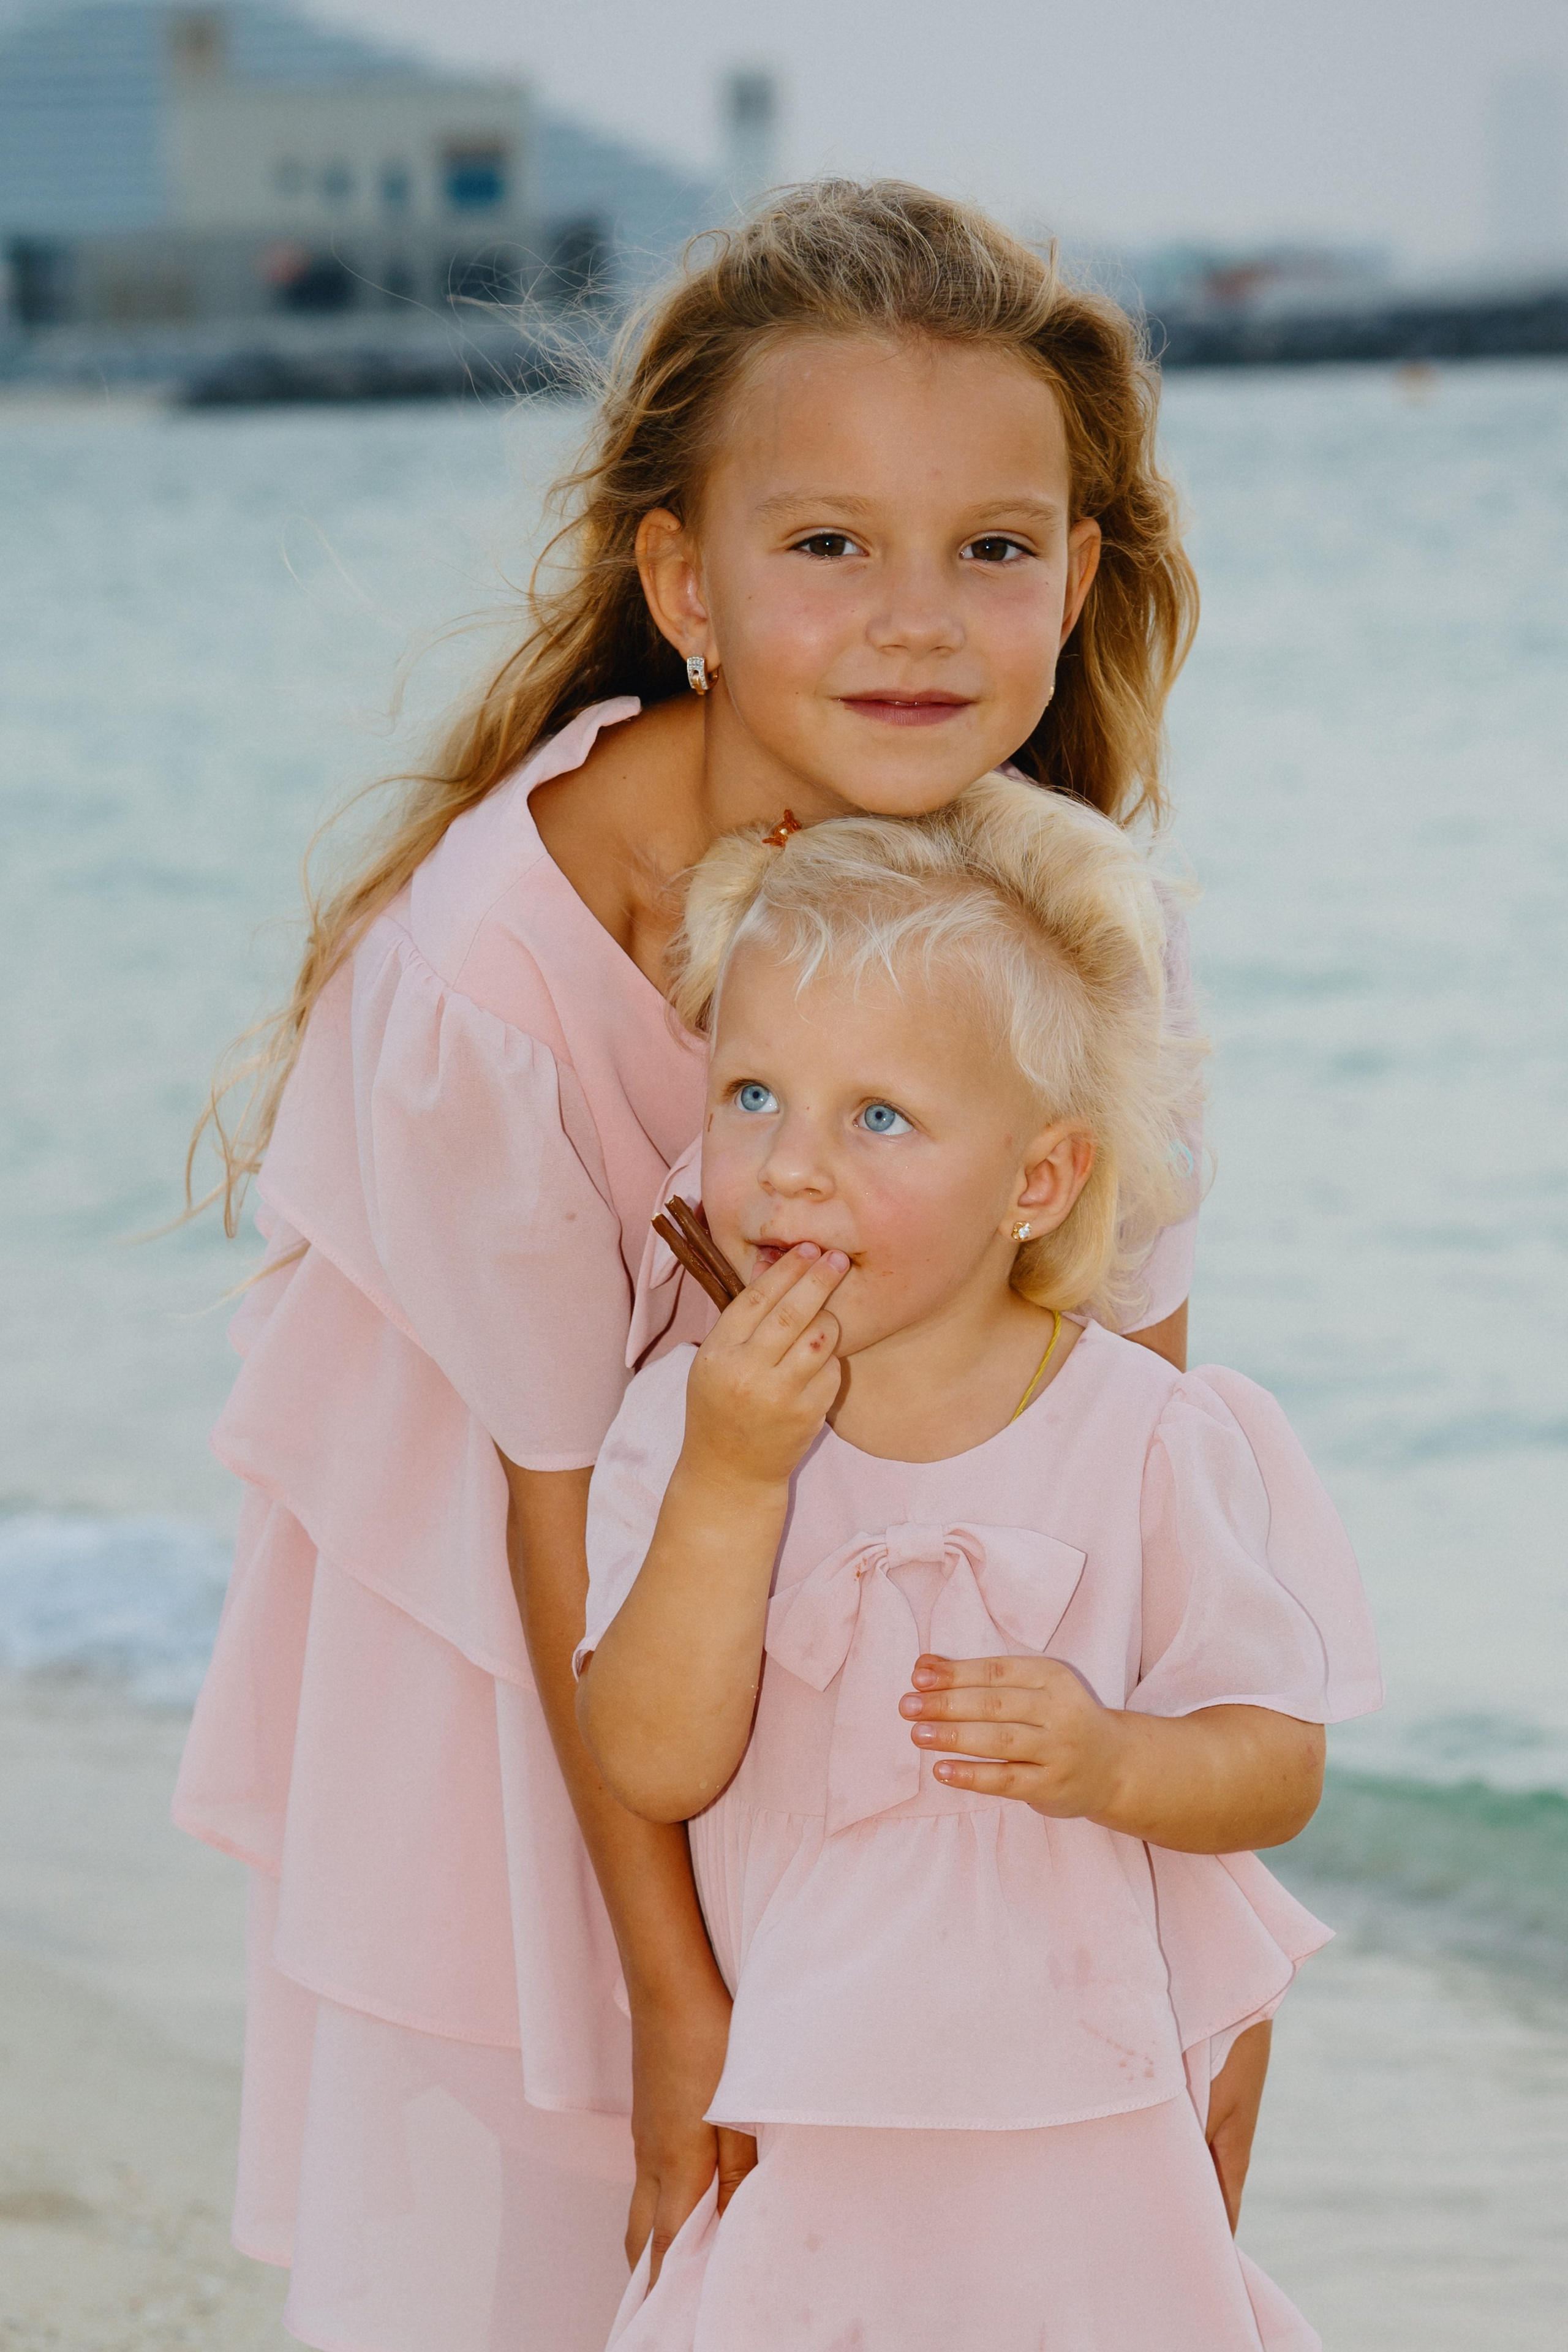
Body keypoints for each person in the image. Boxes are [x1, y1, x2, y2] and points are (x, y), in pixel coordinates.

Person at [173, 180, 1244, 2352]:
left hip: (889, 1658)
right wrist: (673, 1994)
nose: (917, 622)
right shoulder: (502, 978)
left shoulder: (1063, 931)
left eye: (994, 549)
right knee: (588, 2243)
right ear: (686, 581)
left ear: (1075, 581)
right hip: (546, 1681)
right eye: (829, 543)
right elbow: (550, 1505)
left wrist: (1164, 1906)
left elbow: (1136, 1431)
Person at [577, 777, 1381, 2351]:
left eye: (876, 1117)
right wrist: (731, 1482)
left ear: (1036, 1181)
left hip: (1077, 2107)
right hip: (805, 2106)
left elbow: (1274, 1764)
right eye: (752, 1094)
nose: (788, 1166)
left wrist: (1111, 1760)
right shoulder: (683, 1426)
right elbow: (654, 1763)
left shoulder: (1145, 1436)